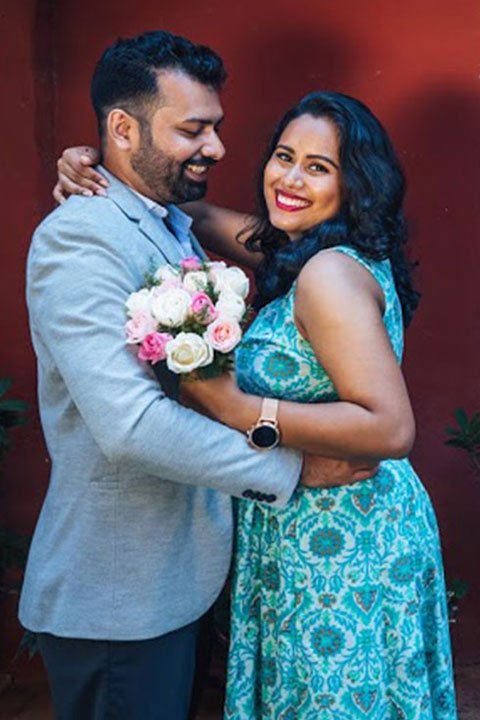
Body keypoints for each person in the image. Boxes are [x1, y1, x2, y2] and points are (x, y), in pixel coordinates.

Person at [57, 91, 457, 719]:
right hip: (311, 524)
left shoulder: (327, 275)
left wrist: (235, 407)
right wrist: (97, 163)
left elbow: (390, 428)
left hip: (345, 538)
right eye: (284, 156)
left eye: (319, 167)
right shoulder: (306, 254)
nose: (290, 179)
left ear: (356, 184)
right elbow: (188, 210)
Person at [22, 31, 368, 720]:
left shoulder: (169, 219)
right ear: (124, 128)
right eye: (193, 130)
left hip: (179, 581)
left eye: (216, 126)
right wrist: (293, 468)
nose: (216, 147)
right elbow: (131, 425)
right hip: (121, 599)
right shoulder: (80, 236)